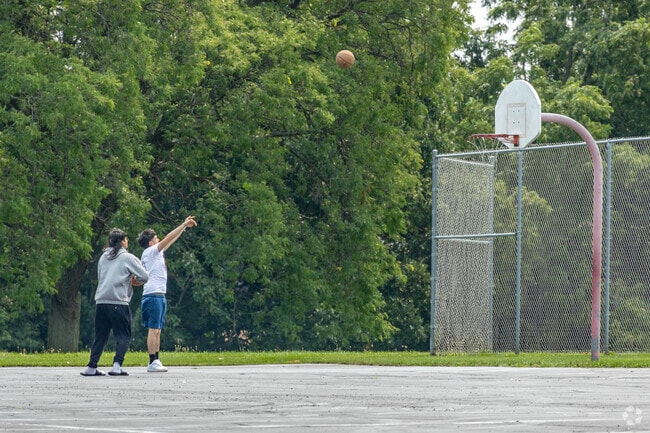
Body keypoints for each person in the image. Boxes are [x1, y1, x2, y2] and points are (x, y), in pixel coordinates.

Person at [81, 228, 149, 377]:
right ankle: (117, 365)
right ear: (122, 241)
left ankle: (91, 366)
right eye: (126, 239)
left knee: (100, 335)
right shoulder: (127, 257)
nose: (127, 242)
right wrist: (134, 281)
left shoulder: (103, 257)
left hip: (101, 301)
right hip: (119, 301)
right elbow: (144, 276)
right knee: (123, 335)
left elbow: (101, 276)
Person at [137, 216, 197, 372]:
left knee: (158, 329)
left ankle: (156, 359)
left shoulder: (155, 252)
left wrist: (184, 228)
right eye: (156, 238)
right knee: (153, 329)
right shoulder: (150, 251)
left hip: (158, 294)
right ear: (150, 242)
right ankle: (152, 360)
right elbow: (168, 238)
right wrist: (183, 223)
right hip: (153, 294)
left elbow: (171, 240)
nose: (159, 239)